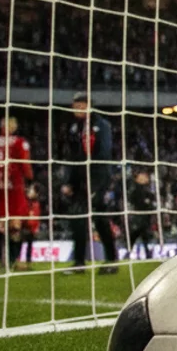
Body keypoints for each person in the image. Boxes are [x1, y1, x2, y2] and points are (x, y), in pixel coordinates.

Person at [66, 93, 118, 275]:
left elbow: (104, 154)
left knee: (101, 220)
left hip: (98, 179)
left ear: (88, 106)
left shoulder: (101, 125)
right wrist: (70, 182)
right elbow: (73, 157)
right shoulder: (74, 128)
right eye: (74, 106)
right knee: (77, 220)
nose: (76, 109)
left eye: (80, 106)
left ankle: (112, 260)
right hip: (81, 181)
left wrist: (96, 184)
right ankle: (79, 263)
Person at [0, 116, 34, 273]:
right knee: (15, 225)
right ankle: (11, 260)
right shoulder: (20, 142)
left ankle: (1, 261)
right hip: (14, 187)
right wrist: (31, 181)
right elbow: (25, 165)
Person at [124, 168, 157, 260]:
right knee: (139, 235)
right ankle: (143, 253)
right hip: (140, 217)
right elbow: (136, 201)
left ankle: (133, 252)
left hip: (143, 217)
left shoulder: (145, 190)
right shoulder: (137, 190)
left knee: (141, 236)